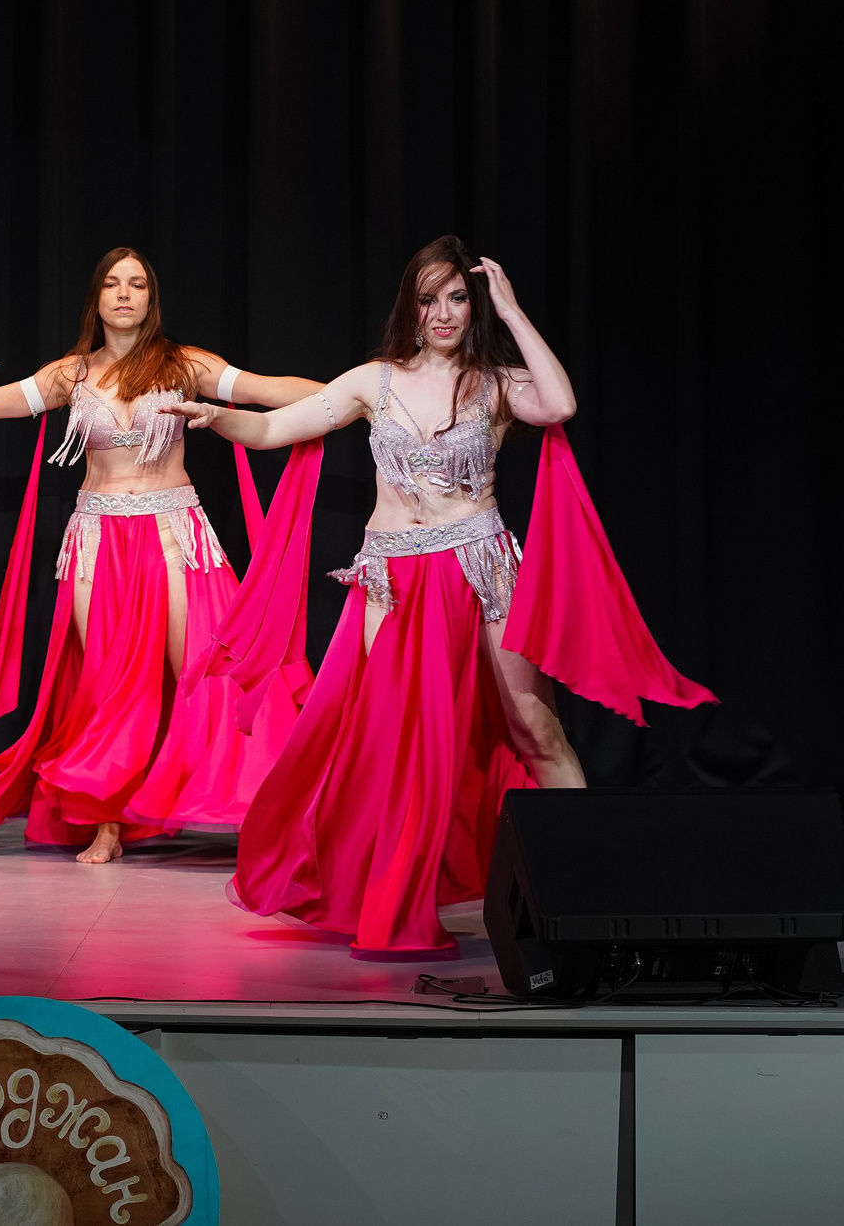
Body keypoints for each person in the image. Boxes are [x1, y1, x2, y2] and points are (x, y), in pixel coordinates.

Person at [171, 236, 715, 957]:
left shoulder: (495, 383)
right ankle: (392, 892)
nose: (444, 312)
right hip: (391, 579)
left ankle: (589, 887)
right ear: (412, 307)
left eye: (458, 297)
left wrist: (515, 312)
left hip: (480, 567)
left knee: (535, 729)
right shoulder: (374, 381)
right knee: (393, 743)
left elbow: (560, 402)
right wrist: (218, 417)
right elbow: (274, 426)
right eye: (429, 299)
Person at [0, 247, 321, 864]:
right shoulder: (70, 375)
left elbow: (268, 391)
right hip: (98, 542)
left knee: (210, 671)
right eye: (113, 284)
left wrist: (360, 394)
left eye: (138, 285)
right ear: (96, 298)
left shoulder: (185, 365)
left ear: (152, 300)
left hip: (174, 532)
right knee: (109, 684)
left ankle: (267, 809)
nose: (124, 294)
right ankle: (108, 824)